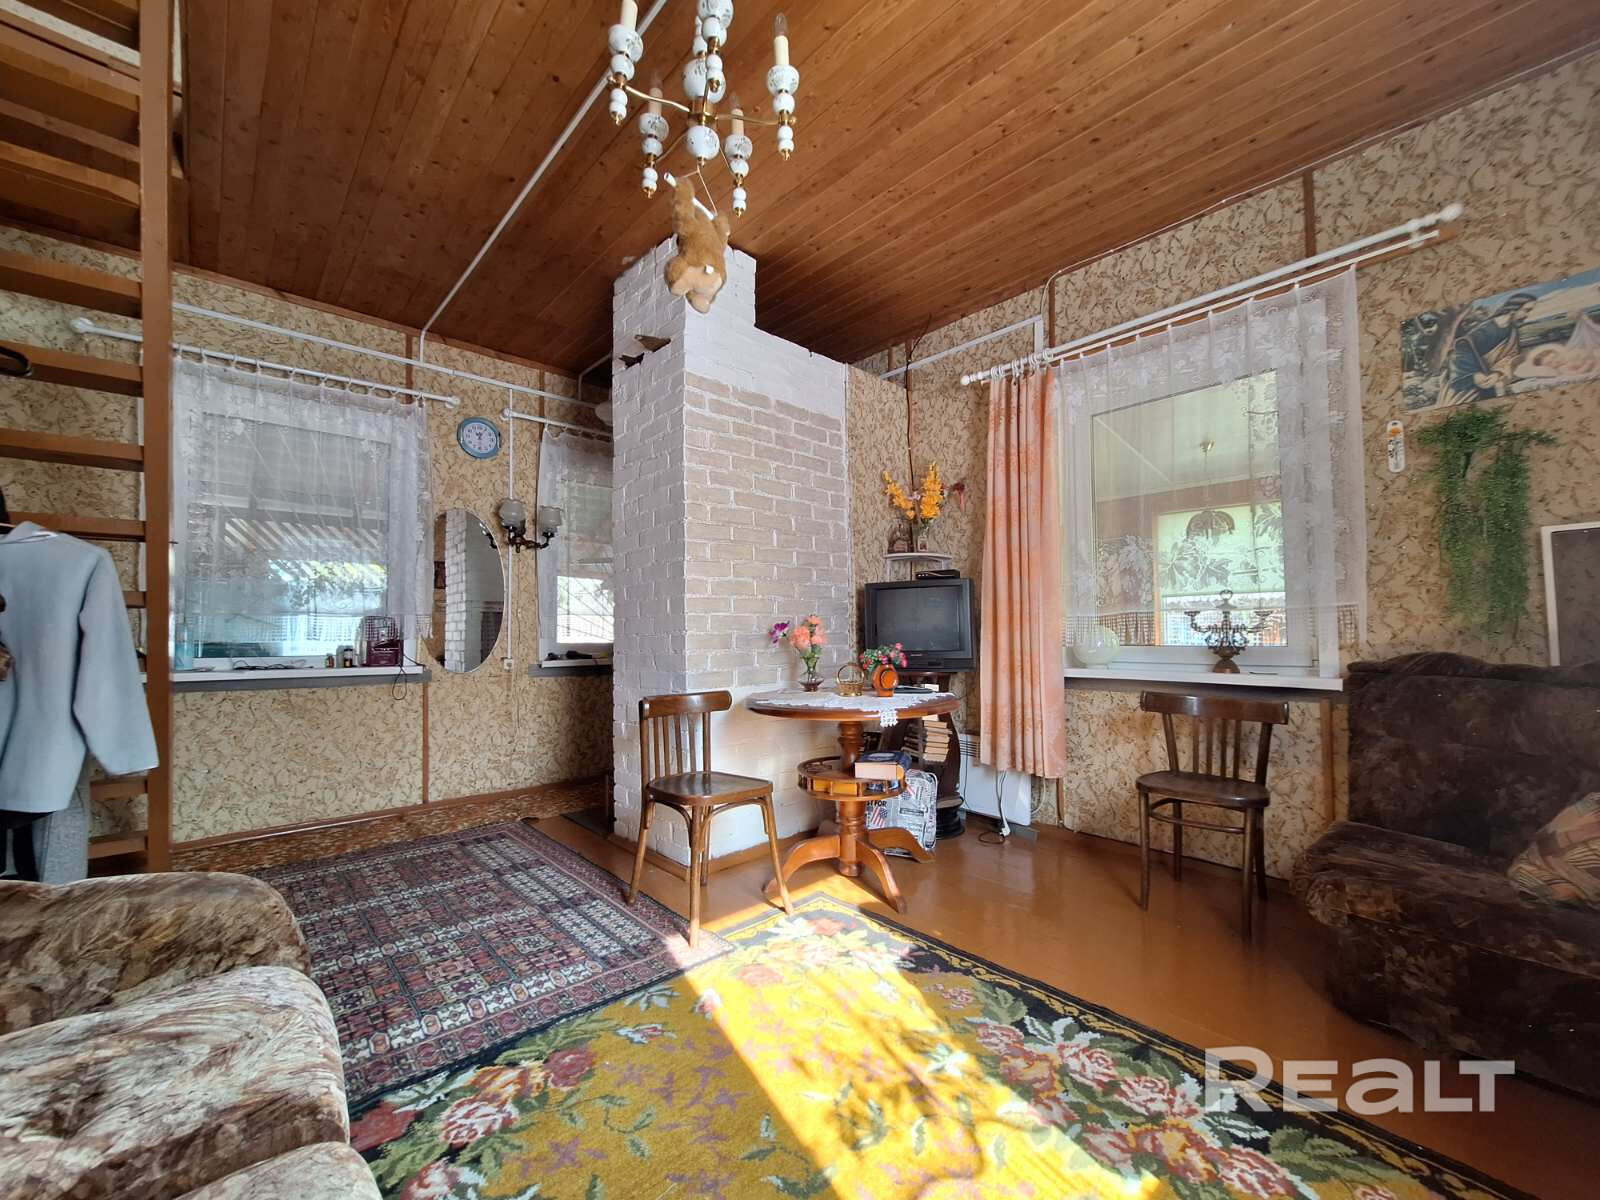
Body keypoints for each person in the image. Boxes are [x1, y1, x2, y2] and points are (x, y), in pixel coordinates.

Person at [1440, 292, 1536, 405]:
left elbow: (1512, 356)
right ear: (1513, 308)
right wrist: (1474, 376)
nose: (1527, 315)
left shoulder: (1512, 331)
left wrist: (1498, 373)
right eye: (1526, 310)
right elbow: (1461, 350)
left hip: (1491, 381)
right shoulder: (1484, 329)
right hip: (1468, 383)